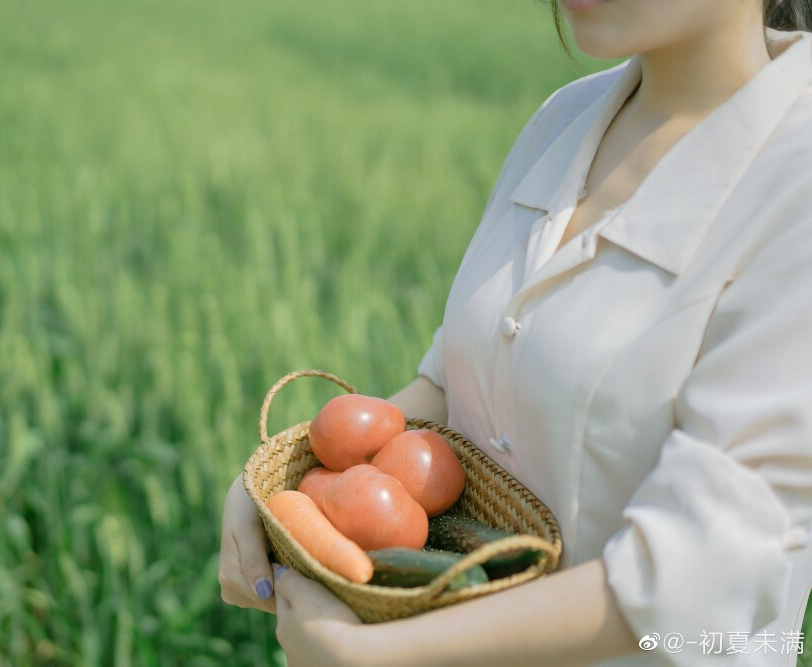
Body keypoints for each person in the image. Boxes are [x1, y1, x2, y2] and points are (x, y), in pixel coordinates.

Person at [219, 0, 812, 664]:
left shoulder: (797, 179)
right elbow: (457, 385)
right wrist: (288, 478)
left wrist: (386, 656)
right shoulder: (565, 118)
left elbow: (705, 564)